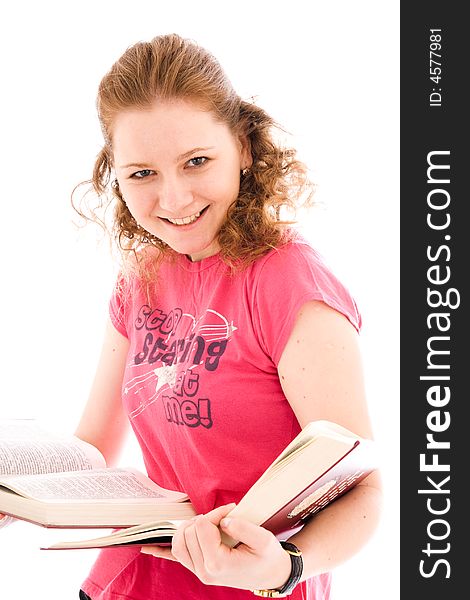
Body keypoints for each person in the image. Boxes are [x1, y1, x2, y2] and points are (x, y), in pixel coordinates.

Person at [2, 32, 382, 599]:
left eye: (196, 161)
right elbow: (94, 449)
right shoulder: (141, 277)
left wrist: (283, 566)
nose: (174, 199)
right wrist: (16, 494)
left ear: (245, 149)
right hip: (125, 581)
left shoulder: (293, 285)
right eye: (142, 174)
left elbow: (364, 489)